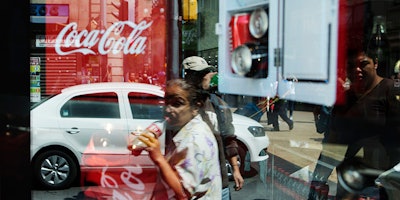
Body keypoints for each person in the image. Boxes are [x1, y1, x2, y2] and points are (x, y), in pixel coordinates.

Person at [308, 49, 400, 199]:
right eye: (351, 66)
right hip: (348, 185)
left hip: (381, 187)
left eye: (363, 64)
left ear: (375, 63)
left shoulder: (391, 89)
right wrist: (318, 181)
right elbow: (332, 146)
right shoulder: (344, 99)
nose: (357, 69)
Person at [138, 79, 222, 199]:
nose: (168, 109)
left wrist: (158, 158)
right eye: (166, 102)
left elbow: (183, 193)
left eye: (177, 104)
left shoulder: (194, 140)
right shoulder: (186, 126)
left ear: (195, 107)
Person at [181, 56, 245, 199]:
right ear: (188, 77)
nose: (208, 76)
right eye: (201, 73)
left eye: (207, 72)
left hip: (218, 183)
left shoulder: (217, 105)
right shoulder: (179, 106)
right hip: (188, 184)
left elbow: (228, 138)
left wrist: (235, 170)